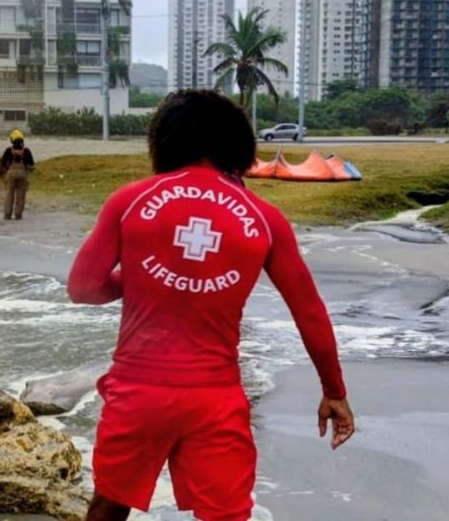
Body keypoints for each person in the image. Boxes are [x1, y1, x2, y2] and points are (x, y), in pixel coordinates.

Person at [67, 90, 354, 521]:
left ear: (164, 141)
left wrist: (137, 276)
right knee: (225, 516)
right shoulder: (263, 217)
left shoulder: (130, 200)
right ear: (237, 145)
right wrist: (334, 392)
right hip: (214, 398)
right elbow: (309, 312)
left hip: (138, 393)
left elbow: (84, 288)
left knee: (109, 504)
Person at [0, 130, 34, 220]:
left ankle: (7, 214)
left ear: (12, 140)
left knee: (9, 194)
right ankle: (18, 214)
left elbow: (3, 163)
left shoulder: (8, 150)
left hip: (11, 174)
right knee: (21, 195)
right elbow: (31, 164)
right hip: (22, 174)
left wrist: (7, 169)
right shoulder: (26, 151)